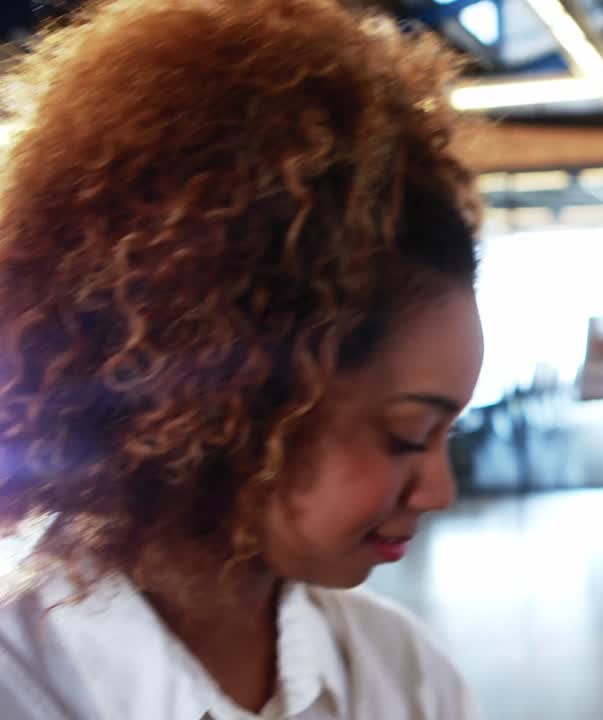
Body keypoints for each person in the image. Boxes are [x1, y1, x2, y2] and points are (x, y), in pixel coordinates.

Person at [0, 0, 485, 717]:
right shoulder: (23, 685)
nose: (439, 491)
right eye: (406, 435)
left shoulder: (403, 675)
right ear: (234, 398)